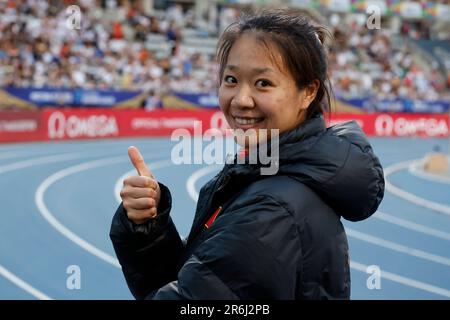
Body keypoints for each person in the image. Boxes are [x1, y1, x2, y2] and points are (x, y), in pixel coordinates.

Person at [110, 8, 384, 300]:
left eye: (263, 83)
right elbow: (198, 280)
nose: (241, 99)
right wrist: (147, 228)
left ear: (308, 92)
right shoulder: (267, 175)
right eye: (231, 80)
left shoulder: (271, 210)